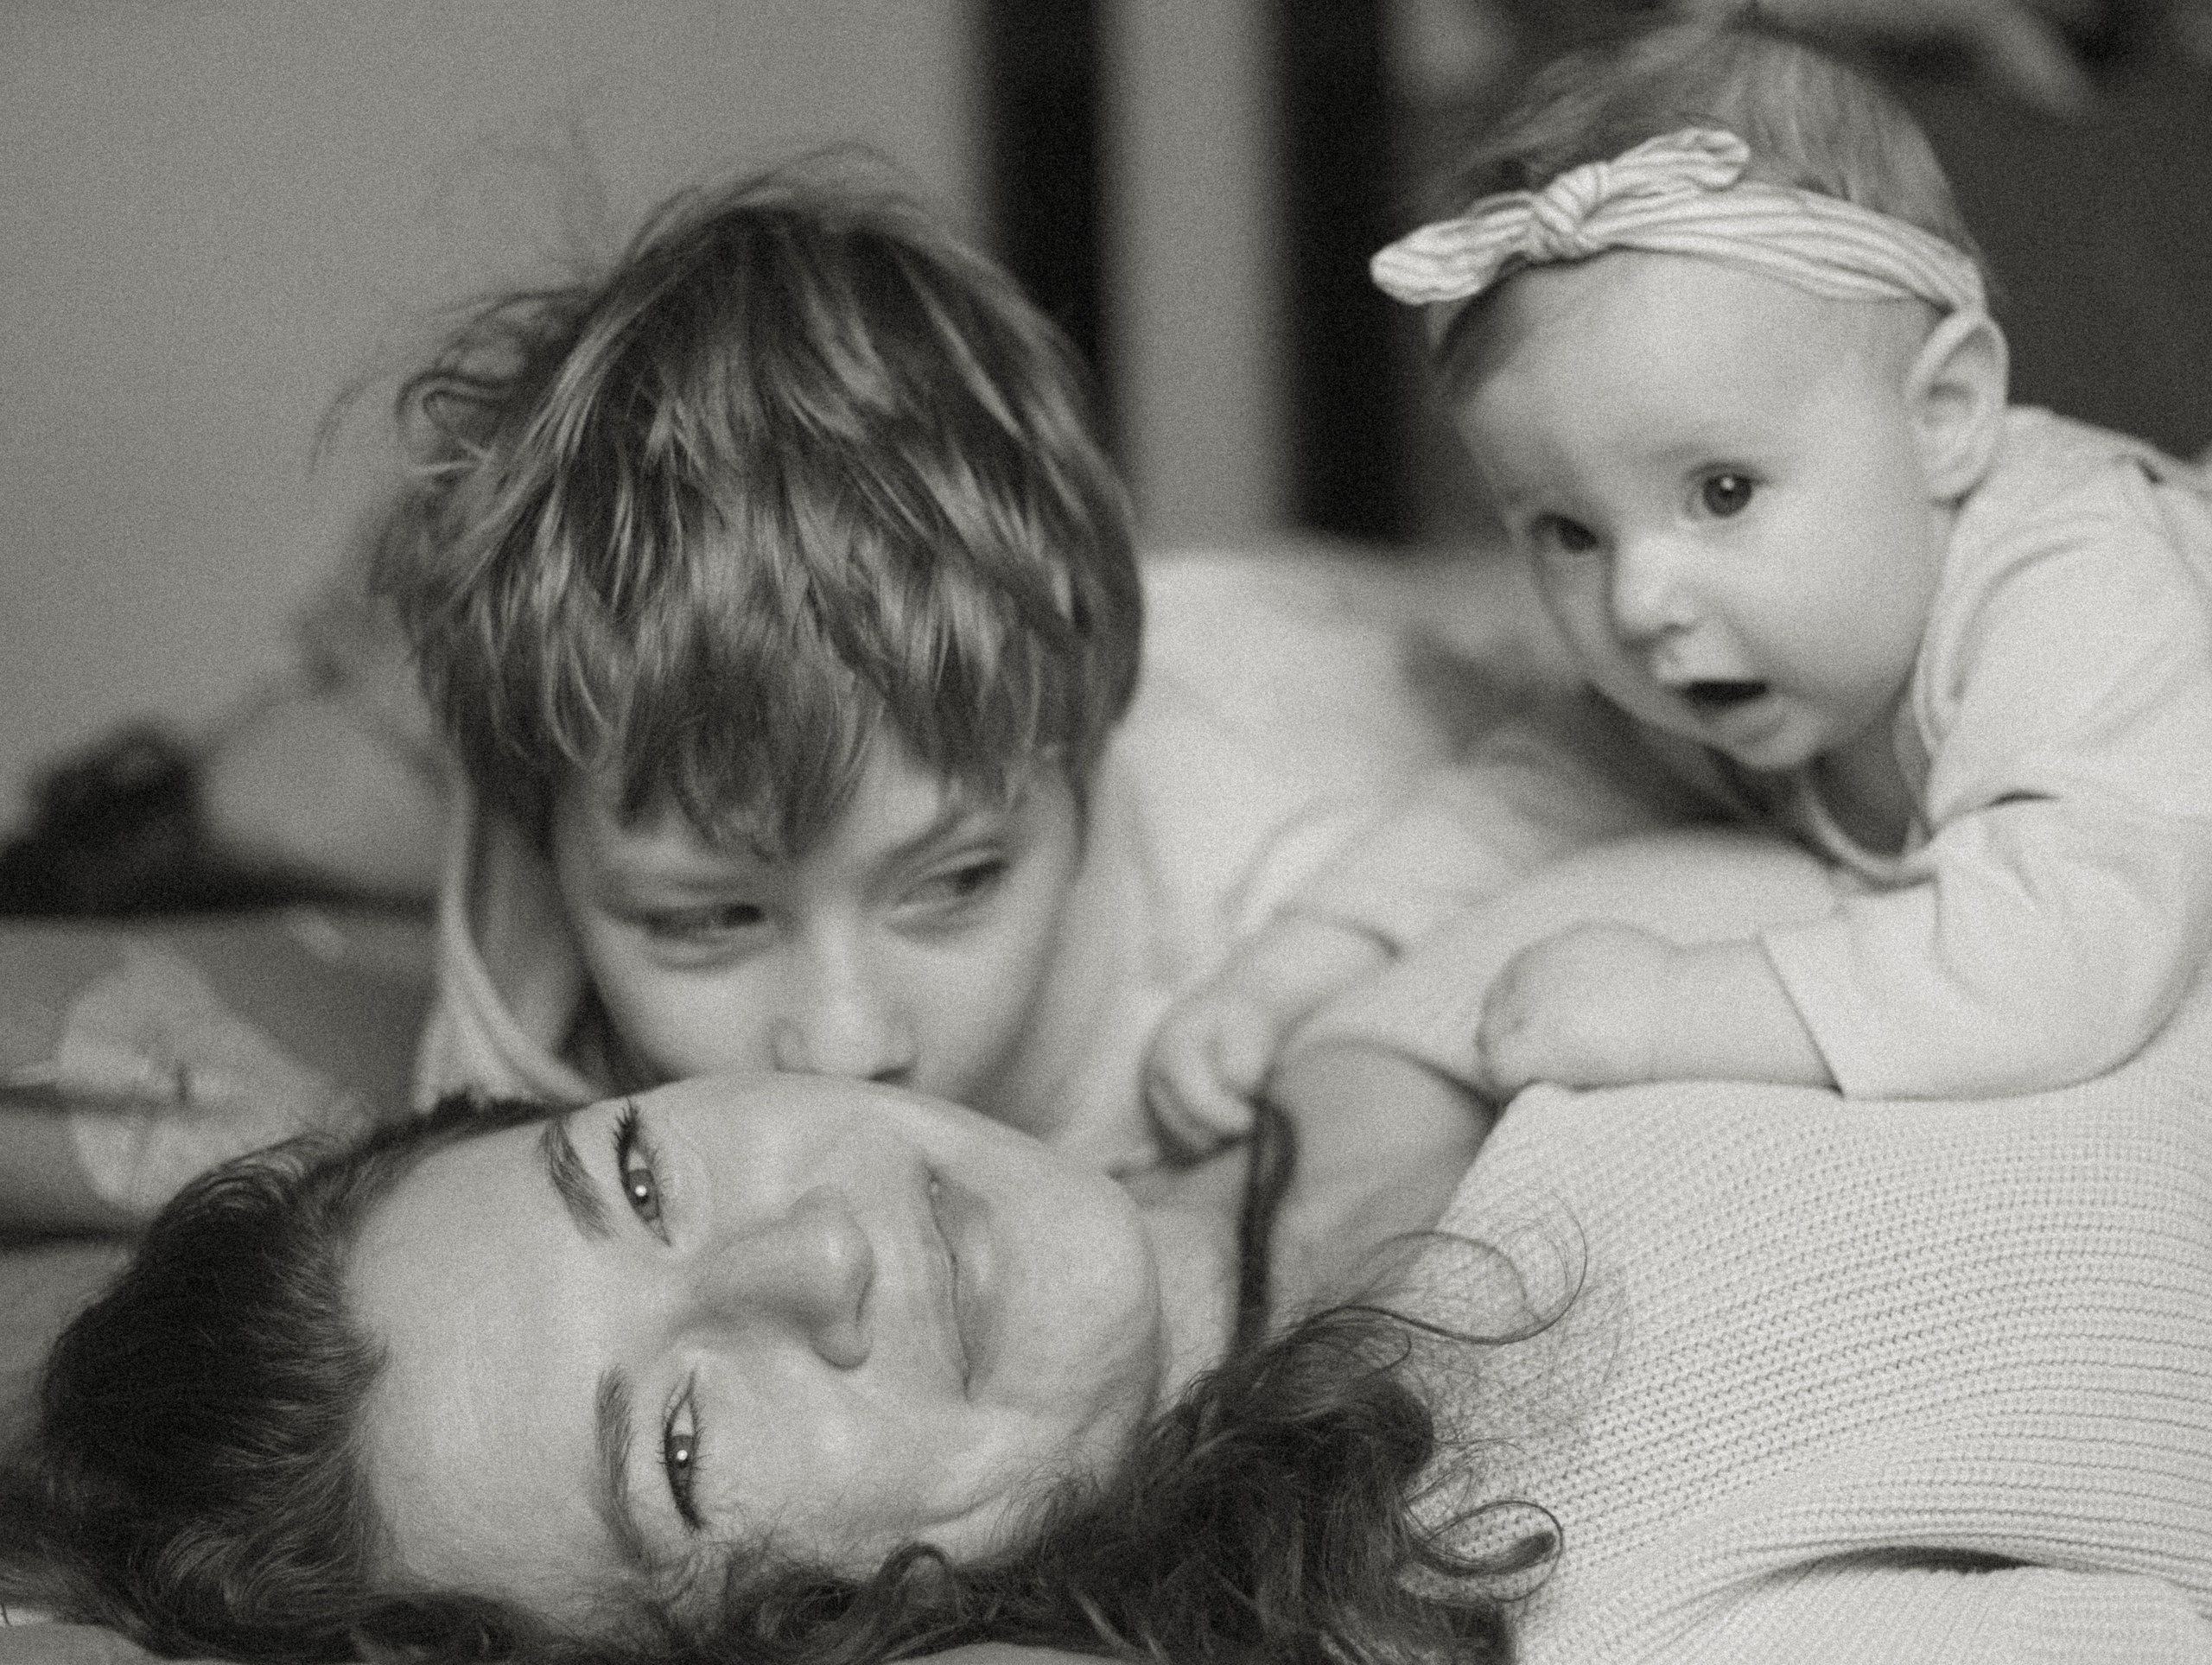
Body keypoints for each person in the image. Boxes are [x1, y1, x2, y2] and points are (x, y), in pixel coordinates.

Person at [4, 829, 2210, 1664]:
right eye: (679, 1447)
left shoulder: (1385, 985)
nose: (807, 1262)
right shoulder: (1535, 1578)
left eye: (645, 1176)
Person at [1145, 13, 2212, 1154]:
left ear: (1944, 417)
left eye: (1722, 490)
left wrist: (1675, 1006)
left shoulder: (2077, 596)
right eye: (1568, 529)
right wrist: (1285, 970)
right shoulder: (1721, 662)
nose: (1640, 600)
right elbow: (1518, 800)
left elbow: (2063, 956)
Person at [370, 156, 1465, 1179]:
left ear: (1086, 757)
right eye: (709, 920)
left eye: (956, 882)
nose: (847, 1046)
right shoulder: (545, 868)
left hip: (1307, 658)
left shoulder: (1292, 882)